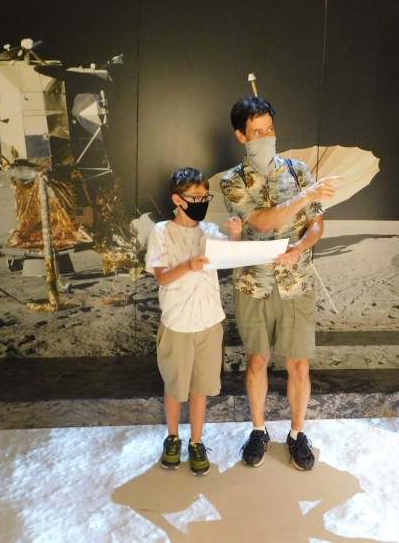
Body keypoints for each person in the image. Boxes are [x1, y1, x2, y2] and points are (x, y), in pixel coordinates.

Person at [219, 96, 339, 471]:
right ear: (241, 136)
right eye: (257, 132)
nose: (266, 137)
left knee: (299, 363)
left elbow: (316, 223)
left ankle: (297, 434)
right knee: (258, 360)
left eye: (270, 129)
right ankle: (258, 430)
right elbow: (261, 222)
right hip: (253, 285)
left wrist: (300, 247)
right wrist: (306, 196)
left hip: (297, 284)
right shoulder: (232, 180)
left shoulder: (298, 170)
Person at [145, 167, 242, 476]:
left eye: (205, 197)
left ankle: (197, 442)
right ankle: (172, 438)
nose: (201, 202)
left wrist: (235, 234)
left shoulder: (209, 231)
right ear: (178, 199)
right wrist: (188, 265)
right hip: (177, 324)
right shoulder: (161, 231)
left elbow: (231, 253)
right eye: (196, 197)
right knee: (175, 387)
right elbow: (162, 277)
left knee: (201, 388)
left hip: (209, 322)